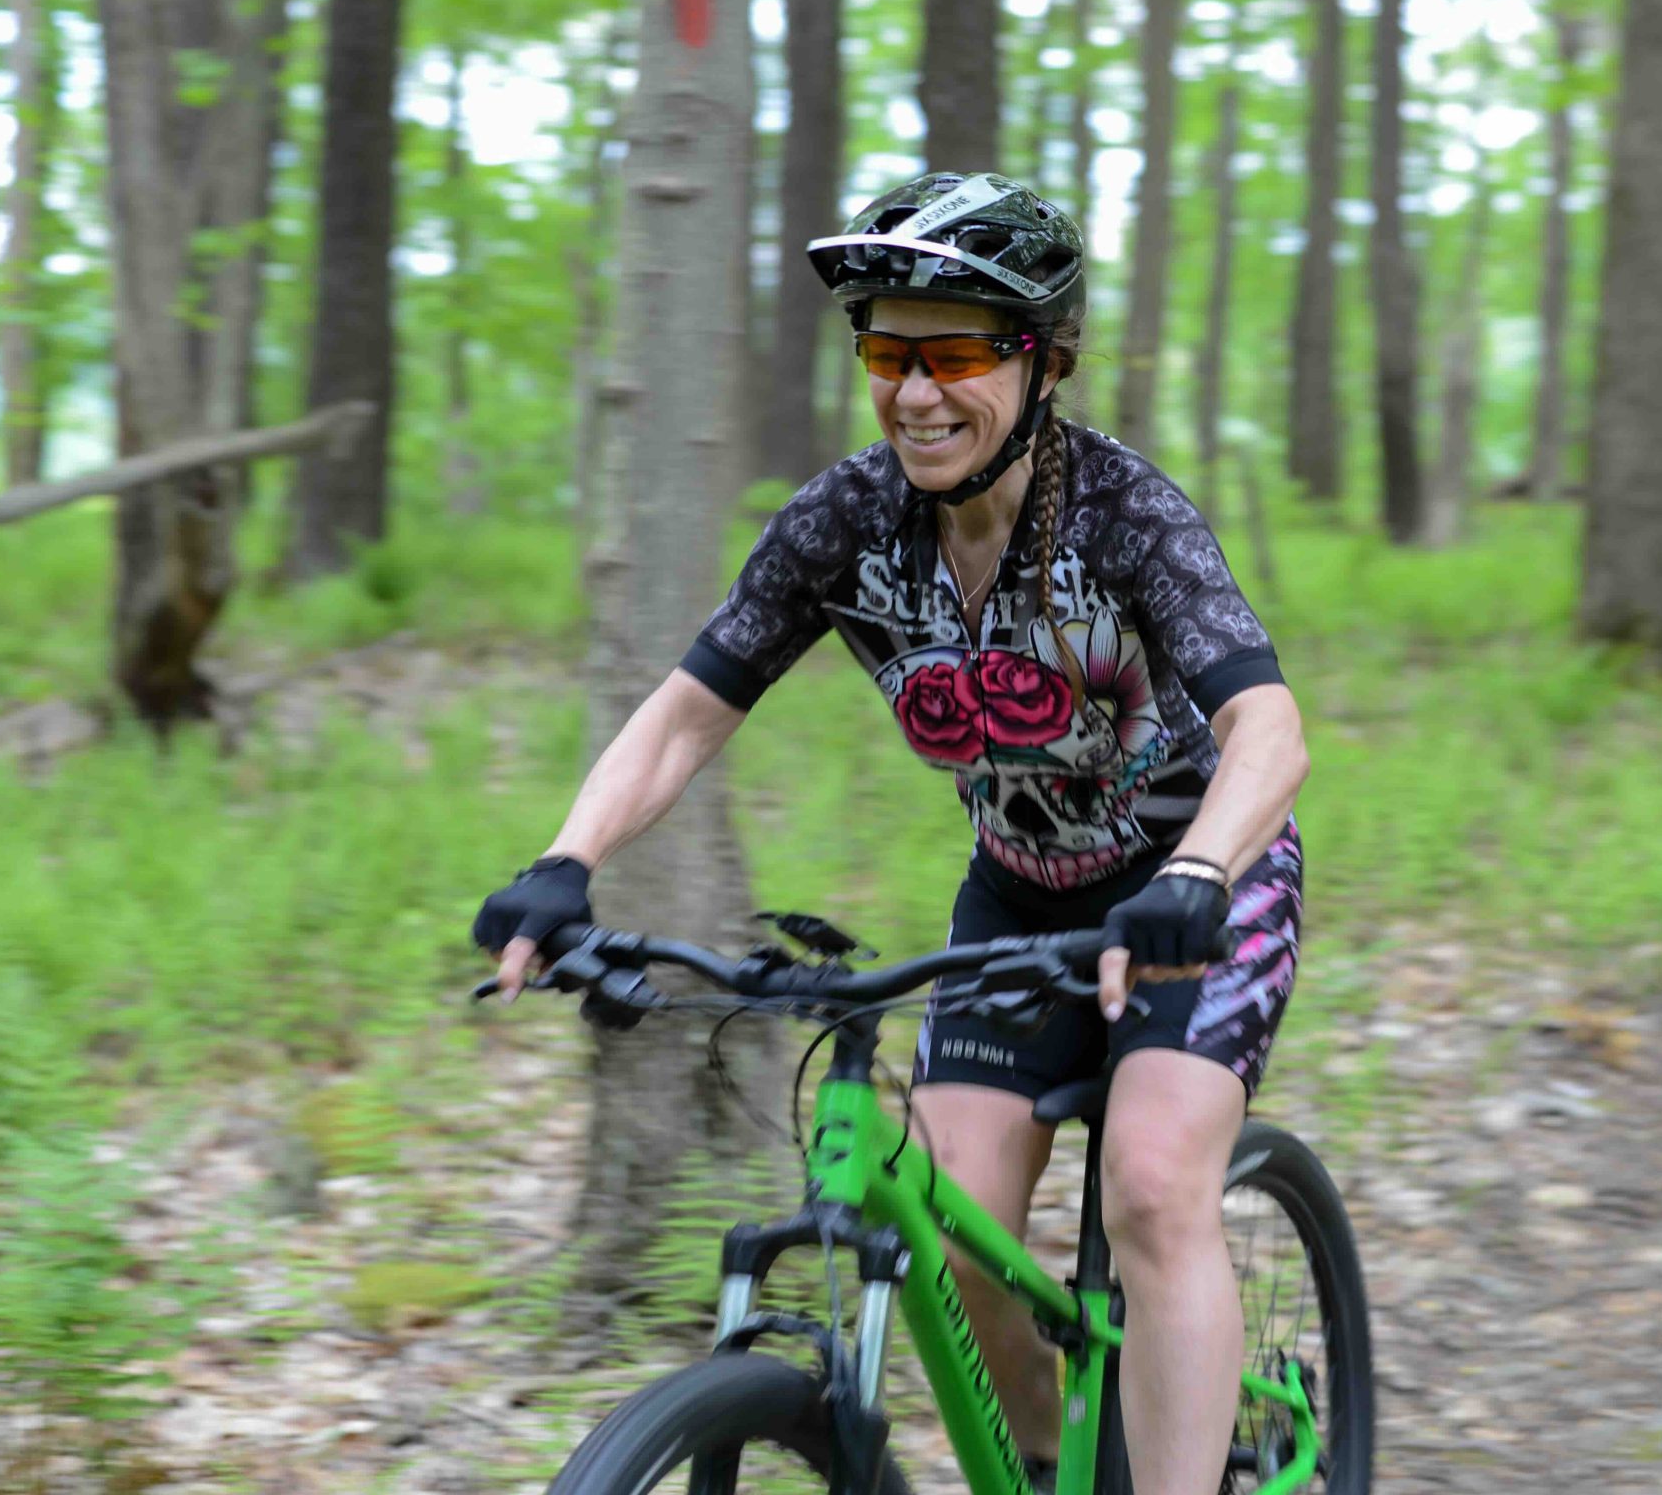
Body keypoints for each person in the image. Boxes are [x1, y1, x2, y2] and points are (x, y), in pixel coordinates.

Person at [471, 172, 1308, 1495]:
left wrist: (1199, 872)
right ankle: (1049, 1466)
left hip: (1198, 882)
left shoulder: (1123, 513)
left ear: (1043, 361)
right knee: (952, 1235)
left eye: (957, 355)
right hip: (1021, 898)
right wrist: (563, 863)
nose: (916, 392)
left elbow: (1271, 730)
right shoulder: (845, 523)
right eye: (887, 353)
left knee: (1153, 1187)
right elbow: (686, 716)